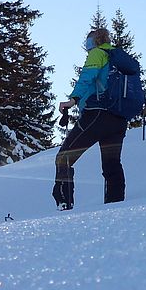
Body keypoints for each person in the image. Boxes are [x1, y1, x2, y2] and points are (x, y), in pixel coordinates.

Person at [53, 26, 129, 210]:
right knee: (112, 164)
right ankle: (115, 206)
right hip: (119, 119)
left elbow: (87, 78)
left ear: (94, 41)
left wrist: (72, 100)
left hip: (97, 114)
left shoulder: (97, 53)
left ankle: (64, 203)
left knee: (64, 157)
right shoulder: (118, 57)